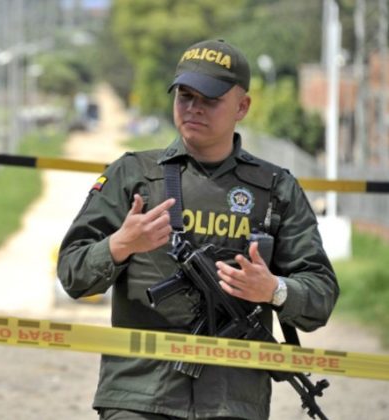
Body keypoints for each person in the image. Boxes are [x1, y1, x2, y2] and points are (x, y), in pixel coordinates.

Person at [57, 39, 338, 420]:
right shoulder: (134, 176)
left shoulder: (275, 189)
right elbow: (73, 274)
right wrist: (120, 245)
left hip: (232, 401)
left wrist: (274, 290)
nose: (193, 108)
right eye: (185, 95)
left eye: (209, 99)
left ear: (242, 106)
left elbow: (320, 293)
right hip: (138, 395)